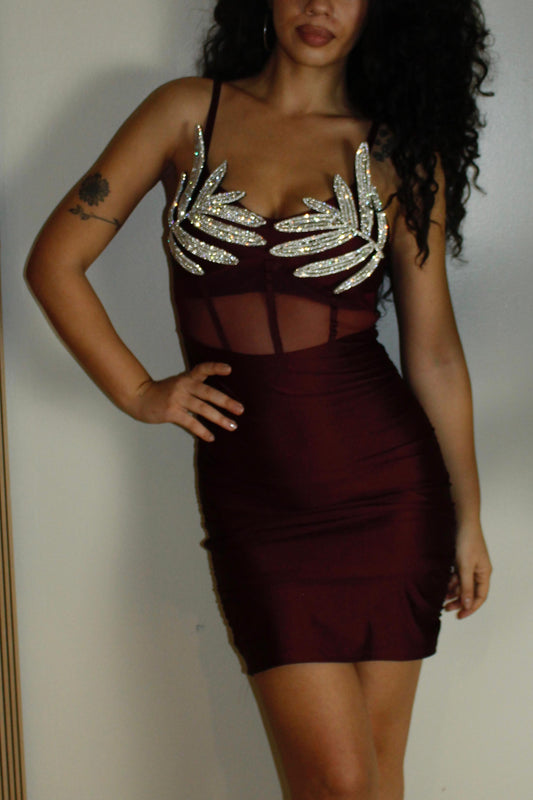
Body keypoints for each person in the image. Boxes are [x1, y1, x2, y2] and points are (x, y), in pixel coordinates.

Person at [26, 0, 494, 797]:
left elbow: (436, 354)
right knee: (340, 782)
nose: (319, 6)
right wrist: (139, 391)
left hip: (387, 494)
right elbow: (55, 262)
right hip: (257, 501)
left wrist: (467, 515)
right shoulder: (184, 111)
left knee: (373, 780)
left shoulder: (399, 153)